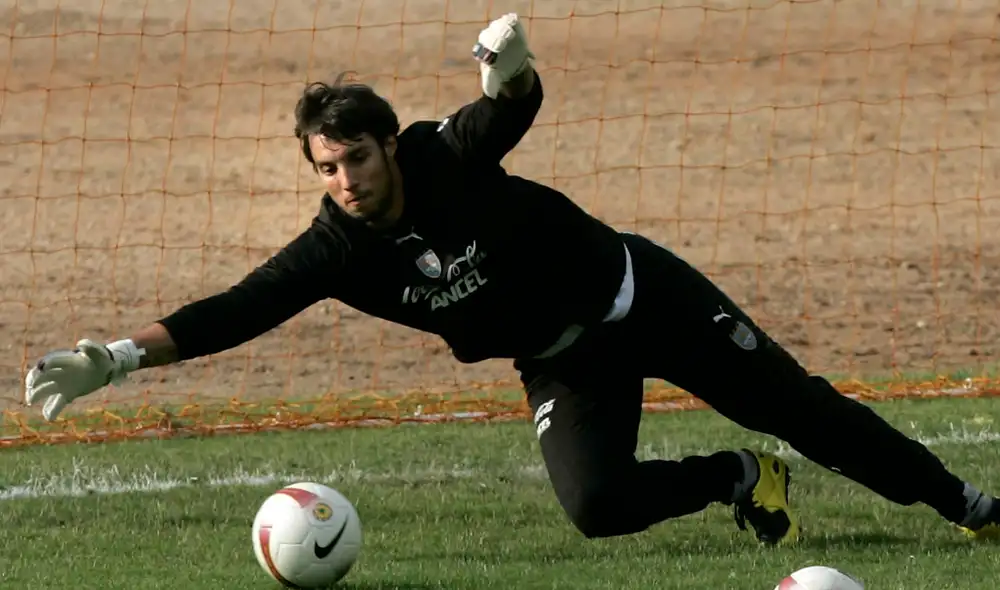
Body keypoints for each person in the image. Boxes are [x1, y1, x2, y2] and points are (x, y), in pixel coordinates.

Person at [23, 13, 999, 545]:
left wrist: (511, 75)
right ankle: (739, 476)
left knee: (809, 410)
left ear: (387, 144)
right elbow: (238, 308)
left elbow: (505, 113)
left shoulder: (440, 156)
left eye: (356, 157)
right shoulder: (336, 250)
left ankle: (968, 505)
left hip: (644, 297)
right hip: (563, 361)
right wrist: (118, 357)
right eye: (325, 167)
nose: (345, 179)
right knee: (597, 508)